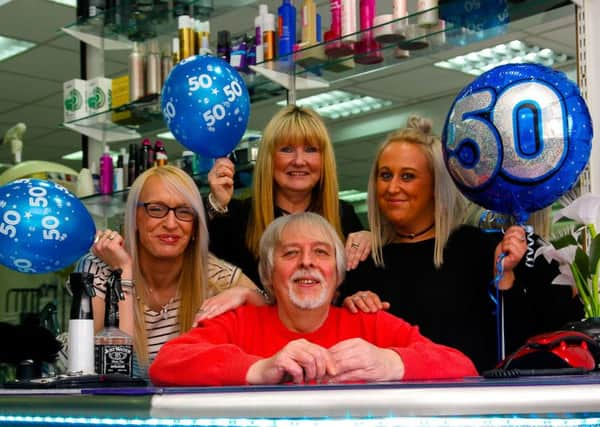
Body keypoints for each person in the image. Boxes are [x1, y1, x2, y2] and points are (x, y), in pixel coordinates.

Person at [337, 116, 584, 373]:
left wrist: (506, 277)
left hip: (469, 404)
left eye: (407, 176)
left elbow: (517, 343)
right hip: (388, 408)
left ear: (436, 185)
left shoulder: (477, 248)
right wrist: (351, 312)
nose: (392, 187)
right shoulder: (363, 262)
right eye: (385, 175)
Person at [149, 212, 477, 386]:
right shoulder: (238, 323)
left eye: (320, 253)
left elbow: (462, 366)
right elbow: (167, 364)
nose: (307, 262)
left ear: (337, 273)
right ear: (267, 273)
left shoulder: (369, 324)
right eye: (291, 252)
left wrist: (389, 363)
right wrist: (260, 369)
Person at [76, 165, 267, 375]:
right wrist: (124, 271)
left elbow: (274, 314)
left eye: (184, 212)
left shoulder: (215, 276)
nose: (170, 223)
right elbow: (105, 369)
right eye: (156, 209)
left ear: (195, 225)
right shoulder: (99, 267)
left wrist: (247, 294)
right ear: (135, 217)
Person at [205, 105, 370, 287]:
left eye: (310, 150)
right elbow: (200, 266)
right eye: (287, 149)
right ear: (269, 158)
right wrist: (215, 206)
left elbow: (357, 289)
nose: (299, 161)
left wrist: (373, 239)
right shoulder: (237, 216)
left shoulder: (344, 216)